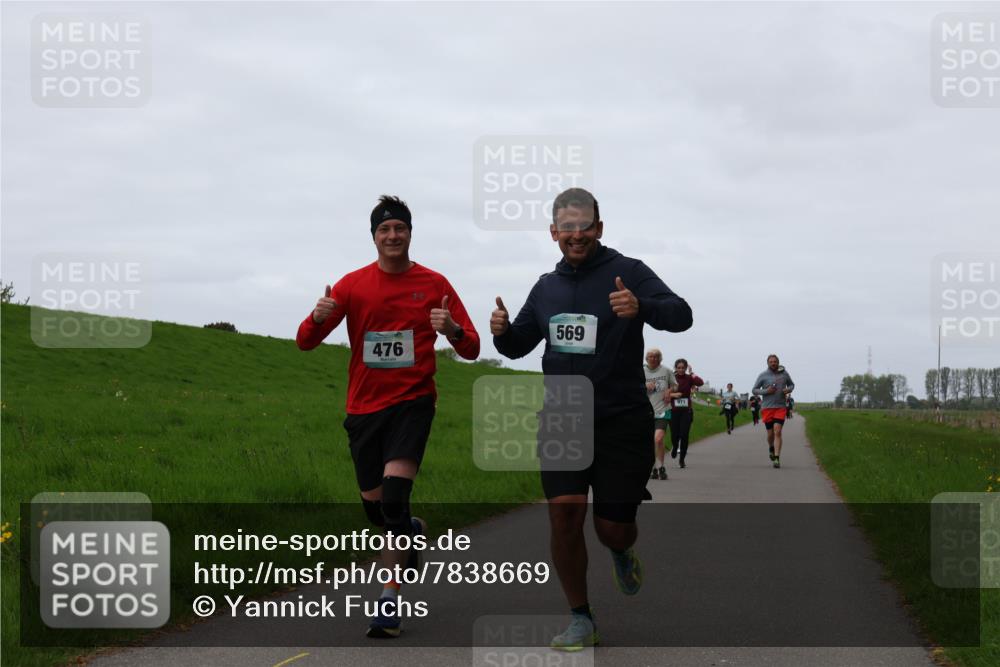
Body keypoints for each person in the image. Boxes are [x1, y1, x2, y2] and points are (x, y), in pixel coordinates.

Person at [491, 188, 692, 650]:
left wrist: (642, 307)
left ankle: (621, 550)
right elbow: (519, 343)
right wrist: (501, 332)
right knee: (564, 516)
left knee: (611, 527)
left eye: (585, 227)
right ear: (553, 232)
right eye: (567, 227)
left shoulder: (630, 273)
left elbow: (682, 315)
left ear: (599, 228)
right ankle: (581, 617)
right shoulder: (546, 287)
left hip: (621, 419)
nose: (576, 235)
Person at [296, 195, 481, 638]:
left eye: (400, 228)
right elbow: (304, 342)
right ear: (374, 237)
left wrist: (450, 329)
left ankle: (388, 600)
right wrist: (317, 317)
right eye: (384, 230)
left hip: (412, 403)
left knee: (395, 498)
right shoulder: (352, 285)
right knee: (378, 514)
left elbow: (471, 347)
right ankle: (410, 530)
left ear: (410, 234)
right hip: (363, 408)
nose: (392, 235)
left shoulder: (434, 283)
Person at [751, 355, 795, 469]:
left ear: (778, 362)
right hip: (767, 408)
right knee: (770, 434)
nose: (773, 363)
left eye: (775, 361)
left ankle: (776, 458)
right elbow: (754, 390)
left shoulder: (784, 373)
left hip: (780, 407)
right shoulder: (763, 375)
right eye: (771, 362)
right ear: (767, 363)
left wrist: (788, 389)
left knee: (778, 431)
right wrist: (767, 391)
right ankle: (771, 446)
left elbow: (792, 384)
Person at [644, 348, 677, 480]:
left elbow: (675, 386)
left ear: (660, 358)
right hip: (646, 411)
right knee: (653, 441)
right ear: (647, 359)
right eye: (651, 356)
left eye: (656, 356)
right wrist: (645, 386)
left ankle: (660, 466)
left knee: (657, 438)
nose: (653, 359)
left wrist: (669, 390)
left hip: (663, 410)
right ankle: (657, 467)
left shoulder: (667, 371)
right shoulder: (641, 372)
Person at [667, 359, 704, 467]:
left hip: (686, 411)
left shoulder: (689, 378)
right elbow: (664, 392)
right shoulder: (671, 377)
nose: (681, 370)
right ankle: (674, 446)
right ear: (675, 368)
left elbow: (700, 383)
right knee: (674, 435)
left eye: (683, 368)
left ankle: (682, 459)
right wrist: (674, 395)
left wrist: (692, 373)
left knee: (684, 435)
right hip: (673, 410)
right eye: (679, 367)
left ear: (686, 368)